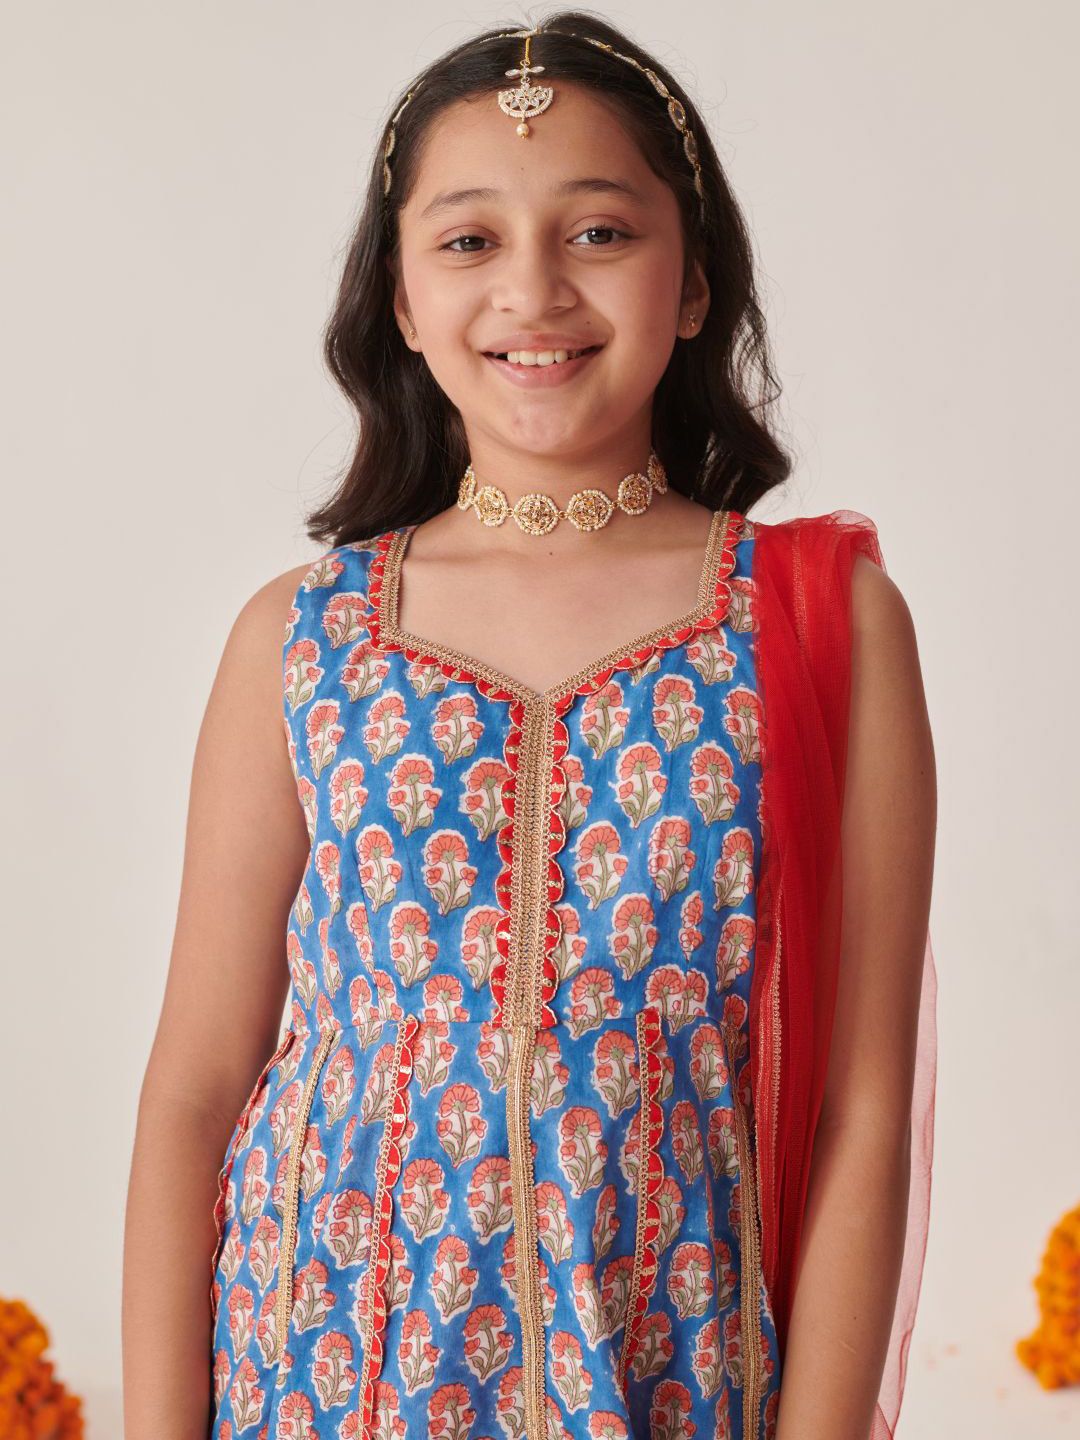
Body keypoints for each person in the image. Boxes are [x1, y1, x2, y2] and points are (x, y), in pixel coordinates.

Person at [121, 14, 937, 1440]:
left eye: (601, 232)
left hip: (672, 1368)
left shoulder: (817, 624)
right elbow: (197, 1088)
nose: (534, 290)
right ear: (401, 299)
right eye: (469, 241)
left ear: (695, 282)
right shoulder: (303, 640)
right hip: (322, 1371)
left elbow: (859, 1113)